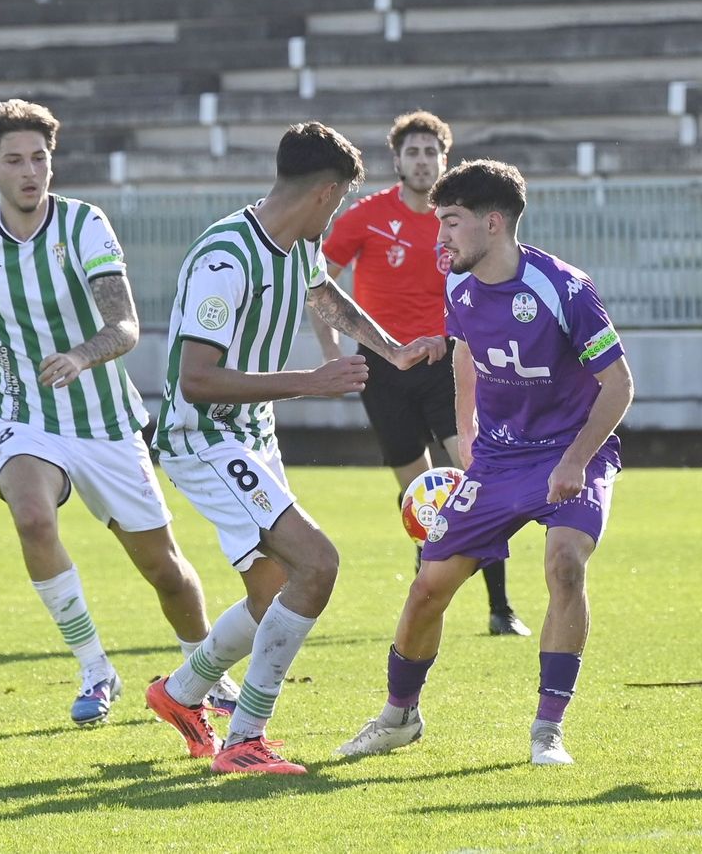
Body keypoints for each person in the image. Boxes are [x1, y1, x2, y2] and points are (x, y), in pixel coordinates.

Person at [0, 98, 236, 728]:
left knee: (166, 572)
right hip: (22, 418)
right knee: (32, 517)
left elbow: (125, 325)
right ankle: (95, 668)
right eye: (15, 160)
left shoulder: (84, 225)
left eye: (40, 158)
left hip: (106, 423)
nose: (30, 171)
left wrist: (81, 355)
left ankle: (204, 670)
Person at [144, 121, 446, 776]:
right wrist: (309, 383)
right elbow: (195, 379)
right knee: (317, 565)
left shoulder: (293, 245)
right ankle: (246, 739)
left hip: (248, 433)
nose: (336, 215)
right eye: (338, 203)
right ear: (325, 193)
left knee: (271, 590)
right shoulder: (226, 257)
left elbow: (324, 297)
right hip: (206, 435)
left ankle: (181, 692)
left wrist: (393, 349)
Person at [338, 159, 634, 766]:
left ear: (492, 223)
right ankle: (398, 716)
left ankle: (547, 730)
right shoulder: (455, 280)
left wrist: (576, 459)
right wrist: (468, 438)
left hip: (571, 450)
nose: (438, 236)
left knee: (565, 567)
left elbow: (619, 385)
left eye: (450, 222)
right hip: (498, 458)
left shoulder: (566, 289)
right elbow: (466, 354)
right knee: (427, 588)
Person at [314, 109, 528, 637]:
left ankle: (501, 608)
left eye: (431, 151)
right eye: (412, 152)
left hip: (449, 364)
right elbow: (318, 283)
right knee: (417, 489)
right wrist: (333, 353)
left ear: (444, 159)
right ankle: (427, 575)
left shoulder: (460, 221)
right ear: (397, 160)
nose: (422, 160)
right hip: (384, 368)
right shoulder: (365, 216)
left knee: (475, 476)